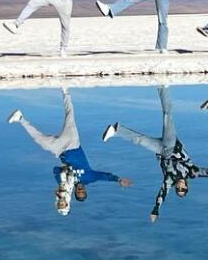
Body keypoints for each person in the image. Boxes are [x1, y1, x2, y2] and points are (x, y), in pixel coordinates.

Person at [102, 86, 208, 222]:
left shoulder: (169, 180)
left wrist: (156, 209)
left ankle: (116, 129)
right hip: (172, 147)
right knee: (167, 116)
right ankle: (163, 87)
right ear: (187, 186)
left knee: (140, 140)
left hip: (161, 151)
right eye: (183, 188)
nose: (180, 186)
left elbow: (162, 194)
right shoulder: (191, 172)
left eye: (178, 188)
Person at [7, 88, 132, 216]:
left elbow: (55, 170)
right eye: (83, 192)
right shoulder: (89, 178)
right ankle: (65, 92)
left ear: (75, 193)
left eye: (79, 193)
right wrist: (118, 179)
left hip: (59, 150)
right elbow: (104, 176)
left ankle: (20, 118)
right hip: (73, 143)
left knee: (38, 139)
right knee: (70, 116)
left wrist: (64, 176)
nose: (81, 190)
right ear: (86, 190)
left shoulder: (66, 185)